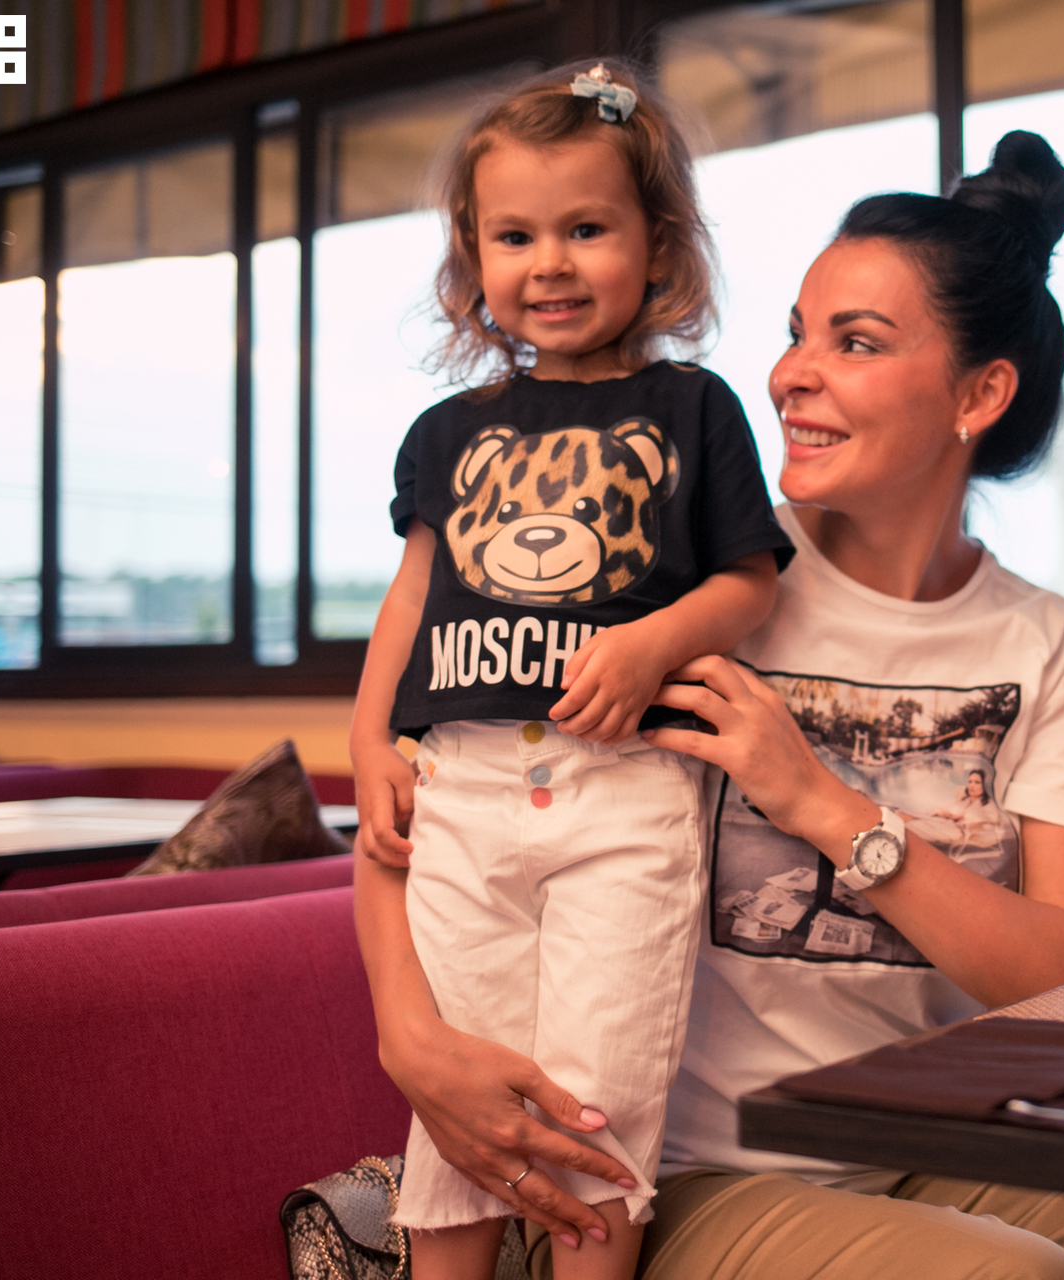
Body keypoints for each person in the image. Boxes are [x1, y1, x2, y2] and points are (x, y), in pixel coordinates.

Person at [355, 130, 1064, 1279]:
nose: (790, 375)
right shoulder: (680, 574)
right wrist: (409, 1034)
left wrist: (823, 803)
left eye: (853, 342)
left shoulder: (1052, 643)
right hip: (697, 1162)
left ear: (980, 393)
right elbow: (452, 770)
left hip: (940, 1136)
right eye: (796, 332)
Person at [348, 61, 793, 1280]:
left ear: (659, 246)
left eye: (586, 229)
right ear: (473, 256)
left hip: (624, 790)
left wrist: (652, 641)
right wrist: (369, 742)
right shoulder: (447, 432)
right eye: (516, 236)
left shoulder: (694, 407)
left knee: (602, 1087)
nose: (549, 263)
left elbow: (751, 581)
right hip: (465, 785)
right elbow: (411, 598)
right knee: (465, 1078)